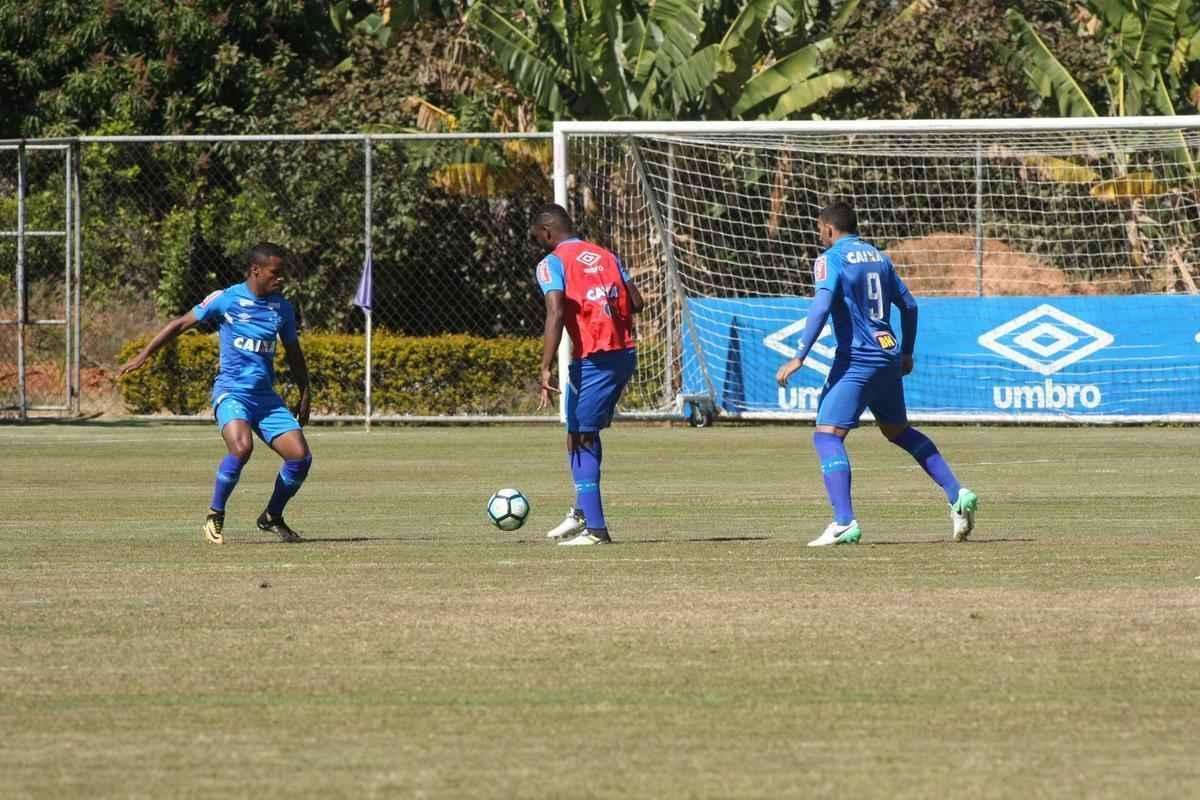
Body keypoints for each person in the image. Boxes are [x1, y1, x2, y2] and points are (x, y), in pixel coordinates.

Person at [776, 201, 978, 546]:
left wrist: (799, 356)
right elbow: (910, 305)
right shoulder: (878, 257)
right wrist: (907, 351)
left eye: (818, 229)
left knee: (826, 437)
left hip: (857, 357)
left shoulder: (830, 259)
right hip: (887, 355)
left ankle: (843, 522)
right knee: (898, 431)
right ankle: (957, 494)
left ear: (827, 229)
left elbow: (821, 306)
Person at [117, 243, 313, 545]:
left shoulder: (282, 308)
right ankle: (215, 514)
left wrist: (305, 390)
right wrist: (144, 355)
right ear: (255, 270)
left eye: (283, 273)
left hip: (265, 398)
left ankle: (272, 516)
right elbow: (180, 324)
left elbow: (294, 352)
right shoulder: (226, 299)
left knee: (300, 458)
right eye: (276, 273)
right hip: (232, 392)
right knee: (241, 448)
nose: (281, 279)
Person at [532, 203, 644, 546]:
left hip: (596, 356)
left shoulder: (551, 263)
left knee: (583, 438)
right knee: (576, 432)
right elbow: (636, 302)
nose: (536, 240)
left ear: (548, 232)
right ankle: (581, 513)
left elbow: (555, 312)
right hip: (623, 351)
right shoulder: (606, 255)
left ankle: (596, 530)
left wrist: (545, 365)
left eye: (536, 235)